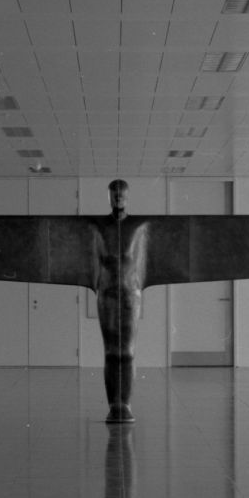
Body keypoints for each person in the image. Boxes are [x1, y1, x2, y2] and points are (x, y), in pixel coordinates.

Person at [91, 179, 149, 423]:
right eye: (113, 194)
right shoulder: (97, 227)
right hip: (107, 294)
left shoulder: (138, 227)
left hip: (129, 295)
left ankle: (124, 404)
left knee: (127, 352)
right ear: (108, 197)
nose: (118, 198)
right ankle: (114, 405)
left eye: (121, 194)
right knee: (111, 351)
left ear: (127, 197)